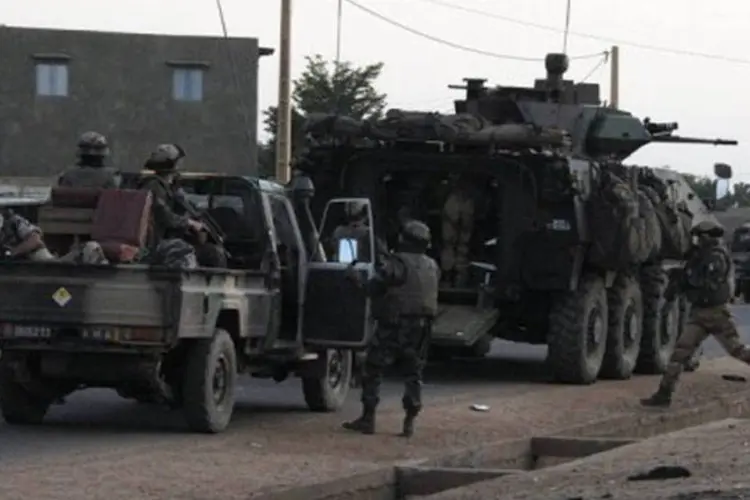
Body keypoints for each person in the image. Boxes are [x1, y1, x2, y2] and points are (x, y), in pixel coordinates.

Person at [342, 219, 440, 437]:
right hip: (422, 327)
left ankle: (368, 419)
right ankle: (409, 423)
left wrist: (354, 278)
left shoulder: (398, 263)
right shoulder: (432, 265)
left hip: (394, 325)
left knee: (373, 368)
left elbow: (373, 288)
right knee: (414, 373)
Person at [641, 219, 750, 407]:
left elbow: (706, 282)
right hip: (699, 313)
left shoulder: (717, 256)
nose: (697, 240)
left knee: (737, 350)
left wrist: (685, 277)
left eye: (700, 236)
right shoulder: (699, 257)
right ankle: (664, 394)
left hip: (717, 313)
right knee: (680, 354)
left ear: (708, 237)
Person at [139, 144, 205, 269]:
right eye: (178, 163)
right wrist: (189, 223)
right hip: (155, 244)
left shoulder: (169, 187)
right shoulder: (154, 186)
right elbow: (164, 216)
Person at [441, 174, 475, 288]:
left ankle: (455, 277)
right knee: (452, 243)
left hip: (462, 200)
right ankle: (451, 276)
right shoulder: (454, 199)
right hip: (459, 200)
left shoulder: (461, 199)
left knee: (458, 244)